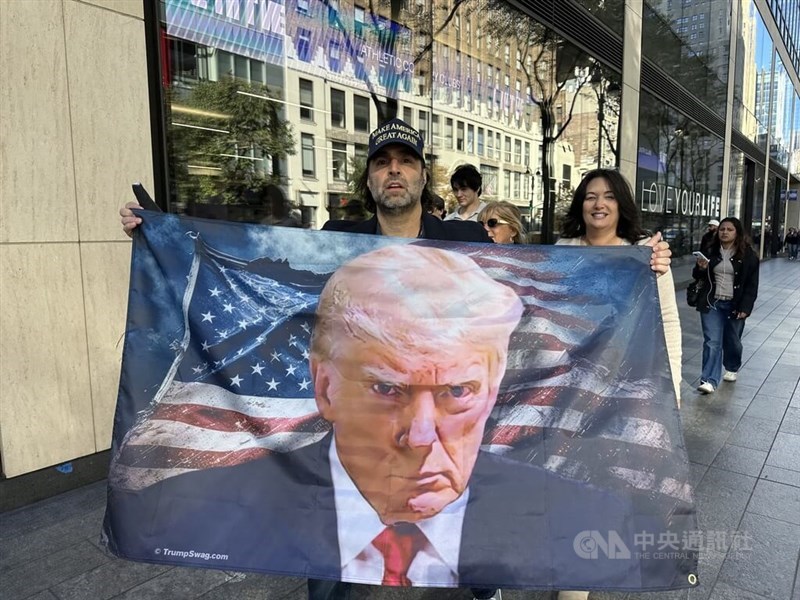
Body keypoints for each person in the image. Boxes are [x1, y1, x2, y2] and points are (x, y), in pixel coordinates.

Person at [118, 119, 673, 599]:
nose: (394, 171)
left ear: (422, 176)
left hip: (472, 498)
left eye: (405, 162)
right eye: (382, 163)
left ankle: (477, 579)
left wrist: (637, 263)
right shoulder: (338, 239)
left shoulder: (464, 238)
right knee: (328, 561)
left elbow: (545, 283)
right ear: (369, 179)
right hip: (337, 477)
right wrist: (158, 235)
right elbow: (264, 281)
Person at [107, 243, 649, 595]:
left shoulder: (585, 513)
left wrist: (648, 264)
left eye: (457, 392)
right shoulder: (199, 498)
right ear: (324, 386)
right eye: (388, 389)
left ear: (494, 387)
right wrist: (152, 238)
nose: (420, 435)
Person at [557, 169, 682, 408]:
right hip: (574, 379)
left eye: (610, 196)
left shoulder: (648, 254)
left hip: (628, 377)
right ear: (581, 205)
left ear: (621, 204)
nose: (599, 204)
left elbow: (667, 322)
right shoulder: (563, 249)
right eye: (590, 197)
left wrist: (673, 387)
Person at [693, 217, 759, 394]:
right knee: (712, 342)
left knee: (733, 341)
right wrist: (700, 268)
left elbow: (752, 285)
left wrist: (745, 308)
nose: (725, 232)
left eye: (730, 229)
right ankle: (709, 380)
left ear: (737, 233)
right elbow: (697, 275)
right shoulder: (710, 250)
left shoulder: (748, 255)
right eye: (722, 229)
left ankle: (732, 366)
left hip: (735, 304)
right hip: (712, 302)